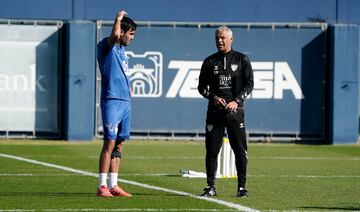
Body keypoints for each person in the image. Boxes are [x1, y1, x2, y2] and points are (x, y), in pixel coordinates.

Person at [197, 26, 254, 197]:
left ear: (231, 39)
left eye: (222, 38)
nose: (219, 41)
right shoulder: (209, 61)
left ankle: (241, 188)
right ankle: (210, 186)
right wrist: (213, 98)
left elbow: (249, 84)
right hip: (215, 113)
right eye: (217, 38)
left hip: (235, 113)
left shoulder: (242, 59)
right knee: (212, 150)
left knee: (239, 150)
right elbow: (201, 88)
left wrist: (236, 101)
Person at [96, 10, 137, 197]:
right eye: (131, 34)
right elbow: (113, 36)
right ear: (121, 32)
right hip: (111, 101)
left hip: (125, 102)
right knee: (109, 143)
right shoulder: (107, 46)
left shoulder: (123, 52)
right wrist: (118, 20)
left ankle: (114, 185)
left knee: (119, 144)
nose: (132, 38)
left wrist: (128, 88)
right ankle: (102, 186)